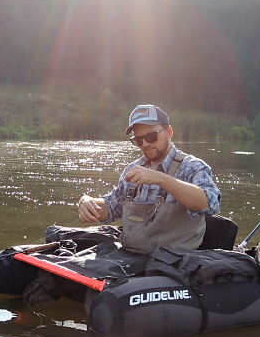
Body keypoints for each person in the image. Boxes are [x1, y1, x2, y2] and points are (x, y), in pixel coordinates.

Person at [76, 104, 220, 254]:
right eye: (138, 140)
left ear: (169, 132)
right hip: (132, 258)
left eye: (151, 137)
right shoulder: (133, 169)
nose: (145, 144)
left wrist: (160, 178)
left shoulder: (193, 167)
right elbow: (112, 207)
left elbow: (210, 204)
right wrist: (87, 201)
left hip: (175, 262)